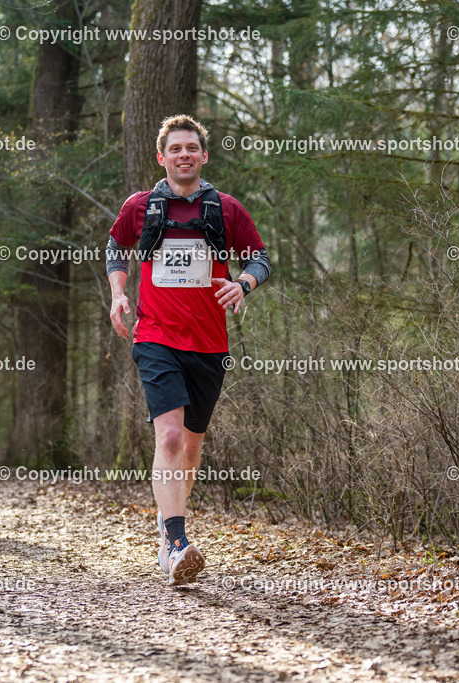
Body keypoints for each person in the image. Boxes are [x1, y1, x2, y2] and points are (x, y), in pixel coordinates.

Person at [107, 114, 271, 586]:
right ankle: (177, 542)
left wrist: (244, 282)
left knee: (193, 449)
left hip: (209, 343)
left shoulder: (227, 208)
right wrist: (119, 294)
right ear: (162, 157)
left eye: (191, 148)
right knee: (171, 439)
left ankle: (167, 523)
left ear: (203, 156)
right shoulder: (141, 207)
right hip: (155, 336)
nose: (183, 155)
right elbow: (116, 245)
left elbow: (260, 257)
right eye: (174, 149)